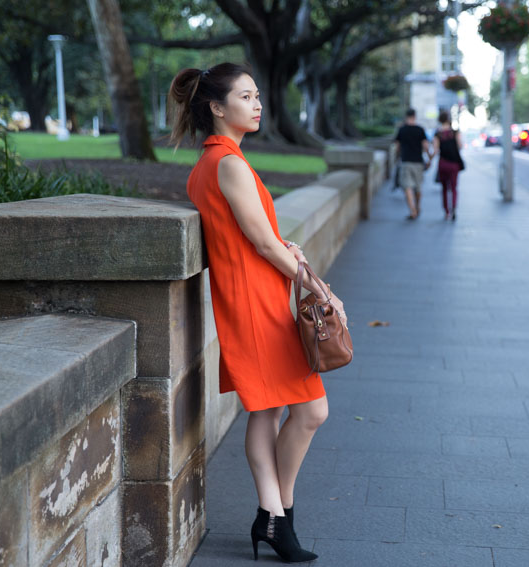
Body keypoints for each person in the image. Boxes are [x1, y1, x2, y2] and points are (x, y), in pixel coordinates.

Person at [169, 63, 347, 564]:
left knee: (270, 410)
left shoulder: (217, 162)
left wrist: (282, 245)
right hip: (255, 306)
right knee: (311, 410)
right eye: (245, 96)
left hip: (256, 299)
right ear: (217, 108)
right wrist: (321, 289)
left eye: (256, 95)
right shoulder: (227, 163)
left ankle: (274, 516)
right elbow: (263, 243)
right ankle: (276, 514)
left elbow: (252, 234)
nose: (257, 103)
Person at [394, 108, 433, 220]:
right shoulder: (420, 129)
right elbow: (426, 146)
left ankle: (413, 210)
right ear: (415, 116)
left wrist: (398, 157)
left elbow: (397, 147)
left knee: (407, 187)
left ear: (406, 116)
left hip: (406, 161)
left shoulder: (402, 130)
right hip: (418, 162)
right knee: (418, 187)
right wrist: (430, 159)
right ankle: (418, 206)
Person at [432, 111, 464, 221]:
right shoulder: (455, 132)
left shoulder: (437, 134)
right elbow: (460, 146)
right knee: (454, 188)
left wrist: (429, 160)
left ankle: (446, 212)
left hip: (443, 163)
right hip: (454, 164)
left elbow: (435, 150)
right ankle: (454, 207)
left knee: (445, 188)